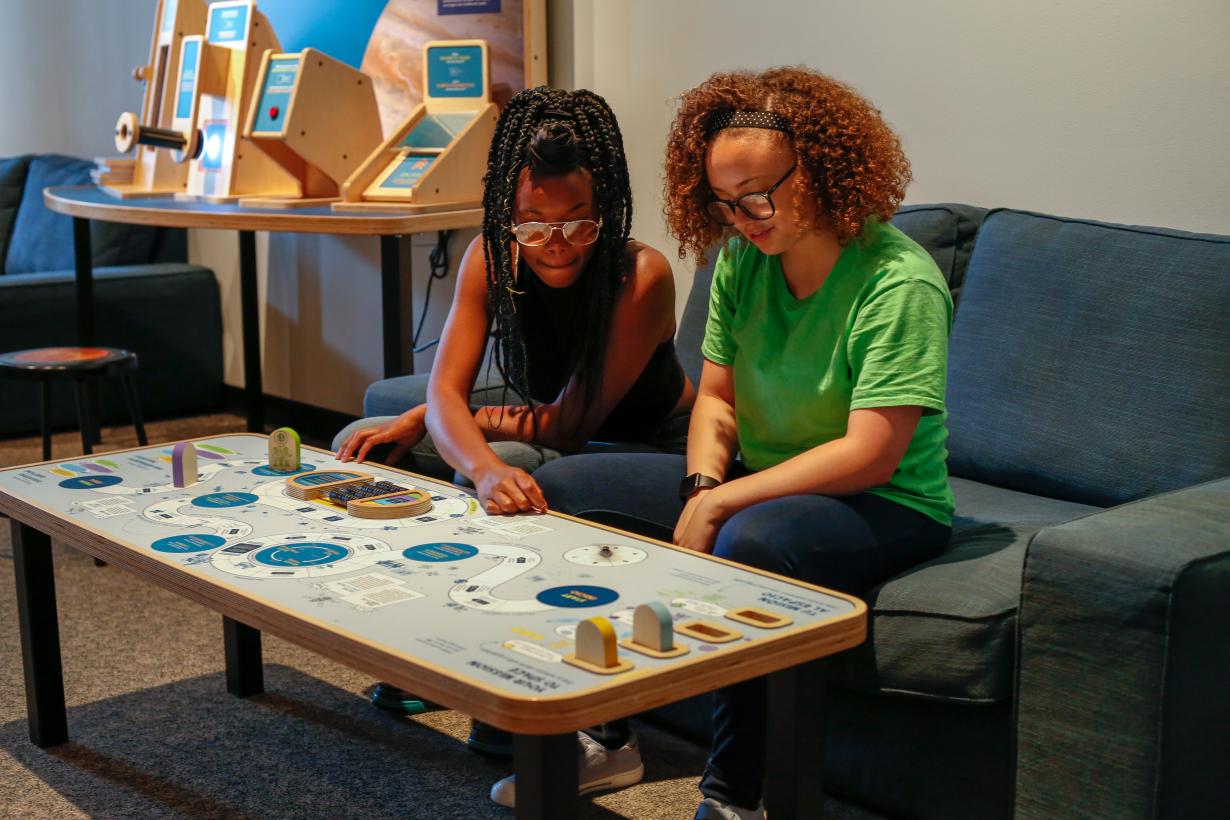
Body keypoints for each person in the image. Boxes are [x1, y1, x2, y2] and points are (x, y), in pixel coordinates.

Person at [532, 67, 956, 820]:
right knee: (565, 492)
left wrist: (723, 500)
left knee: (753, 540)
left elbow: (872, 453)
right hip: (762, 476)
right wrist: (700, 486)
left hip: (887, 502)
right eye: (725, 202)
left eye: (759, 195)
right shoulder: (739, 261)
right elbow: (717, 401)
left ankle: (735, 796)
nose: (744, 217)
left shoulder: (899, 282)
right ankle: (605, 734)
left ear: (821, 169)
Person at [331, 86, 694, 808]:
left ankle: (513, 702)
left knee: (517, 480)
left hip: (649, 442)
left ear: (609, 208)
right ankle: (426, 661)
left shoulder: (639, 275)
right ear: (507, 213)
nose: (554, 244)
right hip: (556, 423)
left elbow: (565, 428)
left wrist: (475, 448)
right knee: (372, 439)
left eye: (577, 224)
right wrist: (442, 431)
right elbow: (443, 393)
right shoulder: (489, 257)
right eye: (531, 225)